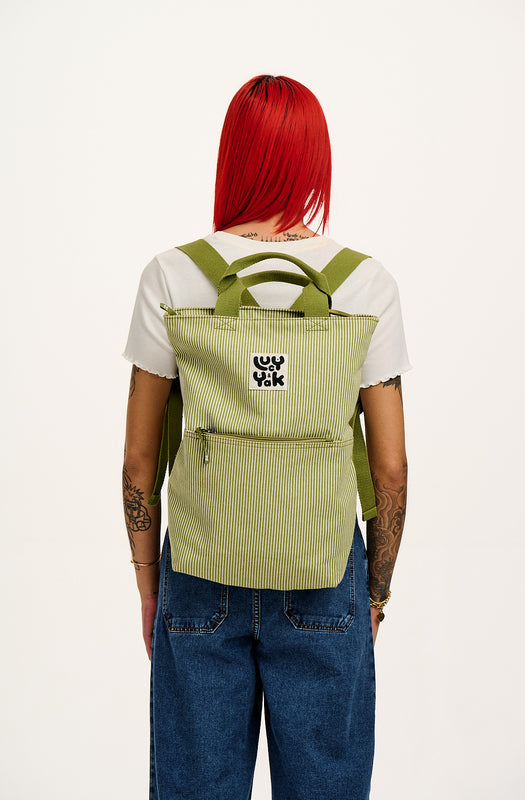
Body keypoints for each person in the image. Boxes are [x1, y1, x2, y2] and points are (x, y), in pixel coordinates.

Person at [122, 74, 411, 800]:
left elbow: (138, 461)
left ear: (232, 156)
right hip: (325, 579)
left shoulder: (172, 276)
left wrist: (151, 587)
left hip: (199, 574)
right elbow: (390, 469)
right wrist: (374, 596)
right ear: (315, 160)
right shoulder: (365, 284)